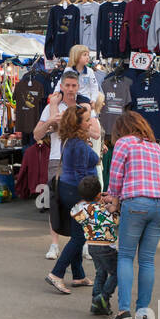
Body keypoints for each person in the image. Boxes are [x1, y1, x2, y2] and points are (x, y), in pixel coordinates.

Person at [103, 111, 160, 319]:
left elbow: (115, 174)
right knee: (147, 259)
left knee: (125, 256)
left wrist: (113, 196)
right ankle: (142, 309)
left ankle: (123, 308)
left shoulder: (124, 143)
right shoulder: (156, 147)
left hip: (136, 202)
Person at [45, 104, 100, 295]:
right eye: (86, 120)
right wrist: (87, 198)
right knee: (80, 236)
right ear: (78, 123)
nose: (89, 123)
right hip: (76, 192)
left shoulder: (69, 139)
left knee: (78, 232)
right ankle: (56, 274)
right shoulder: (77, 143)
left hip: (68, 190)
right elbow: (80, 174)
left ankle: (78, 275)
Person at [34, 71, 81, 260]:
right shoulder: (52, 108)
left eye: (74, 85)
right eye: (67, 85)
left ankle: (82, 242)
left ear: (78, 87)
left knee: (80, 202)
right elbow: (37, 134)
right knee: (55, 202)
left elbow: (94, 131)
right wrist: (52, 120)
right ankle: (54, 244)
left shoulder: (82, 108)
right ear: (61, 87)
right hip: (57, 159)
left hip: (78, 159)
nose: (70, 89)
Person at [70, 174, 119, 316]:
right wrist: (110, 204)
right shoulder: (102, 209)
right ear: (99, 194)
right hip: (107, 246)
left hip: (92, 246)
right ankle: (102, 297)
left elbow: (74, 211)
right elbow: (115, 221)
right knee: (117, 272)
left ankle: (95, 304)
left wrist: (93, 201)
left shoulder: (82, 209)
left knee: (100, 273)